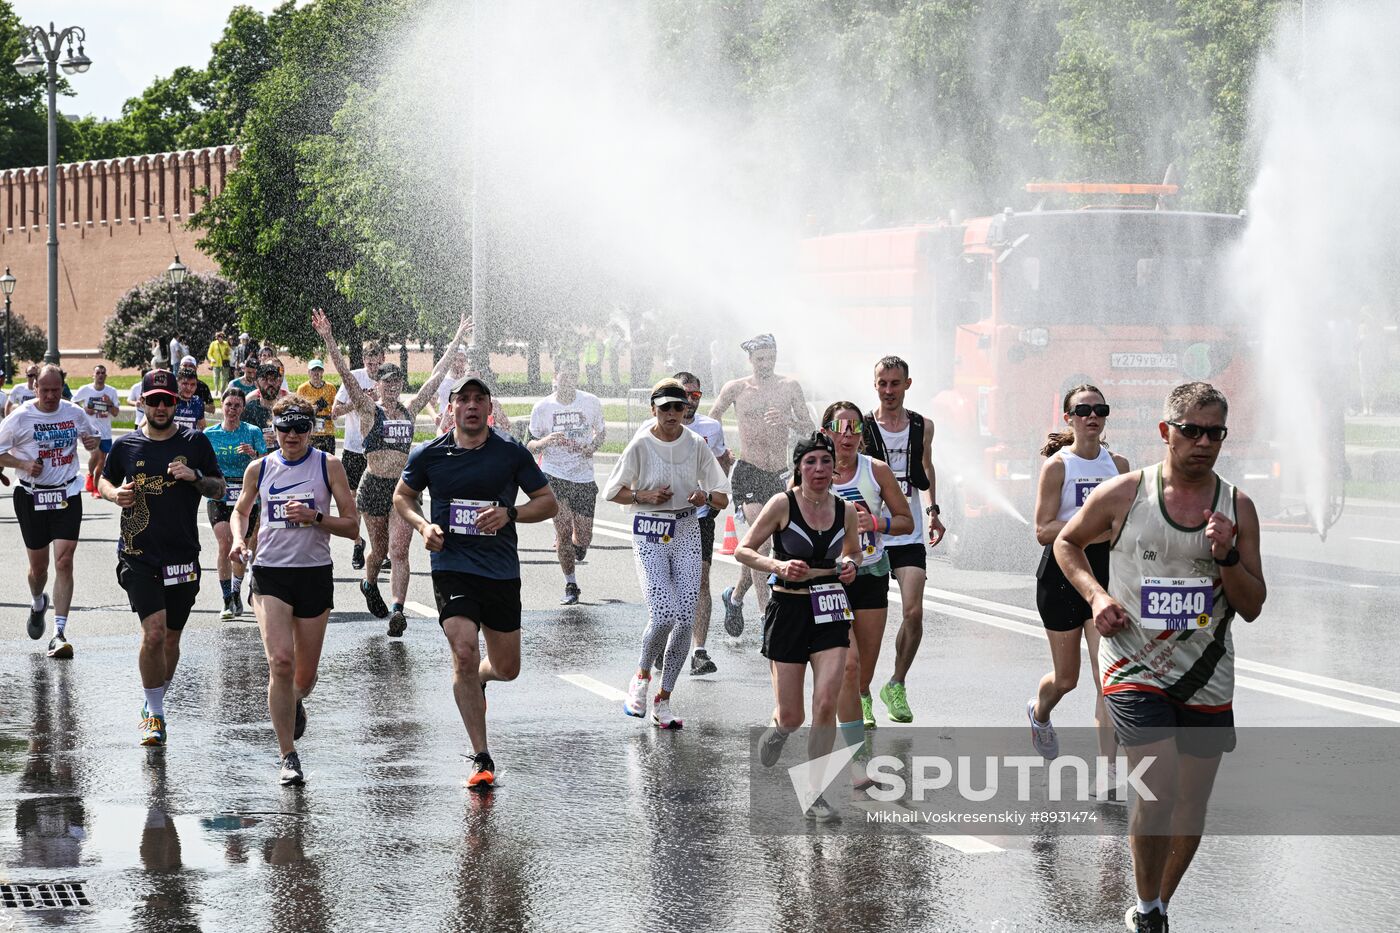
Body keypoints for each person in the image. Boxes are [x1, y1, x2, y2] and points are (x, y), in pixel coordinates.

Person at [1055, 382, 1266, 933]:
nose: (1203, 442)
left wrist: (1226, 556)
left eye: (1214, 433)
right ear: (1165, 431)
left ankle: (1158, 905)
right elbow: (1065, 544)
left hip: (1206, 673)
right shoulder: (1126, 493)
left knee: (1190, 805)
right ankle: (1147, 909)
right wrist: (1098, 596)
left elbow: (1252, 606)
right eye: (1191, 430)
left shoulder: (1237, 506)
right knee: (1160, 785)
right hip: (1133, 665)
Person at [395, 372, 558, 789]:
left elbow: (548, 503)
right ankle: (481, 757)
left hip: (500, 569)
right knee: (464, 653)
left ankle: (483, 678)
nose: (470, 406)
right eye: (462, 399)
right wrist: (422, 525)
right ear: (451, 409)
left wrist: (512, 513)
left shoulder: (510, 453)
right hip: (452, 565)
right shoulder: (429, 454)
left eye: (478, 399)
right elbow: (402, 496)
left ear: (489, 408)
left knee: (507, 667)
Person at [313, 308, 470, 636]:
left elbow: (436, 377)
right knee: (380, 550)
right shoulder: (369, 409)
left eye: (397, 382)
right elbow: (344, 373)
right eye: (387, 382)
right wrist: (328, 337)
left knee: (399, 551)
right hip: (373, 485)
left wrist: (456, 339)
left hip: (404, 489)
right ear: (379, 385)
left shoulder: (410, 410)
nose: (393, 387)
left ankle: (398, 609)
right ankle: (369, 583)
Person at [230, 396, 359, 785]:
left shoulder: (327, 465)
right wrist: (239, 540)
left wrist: (316, 517)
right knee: (280, 663)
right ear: (274, 428)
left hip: (314, 574)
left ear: (312, 429)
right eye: (284, 428)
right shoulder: (260, 467)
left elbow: (352, 526)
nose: (291, 436)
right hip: (271, 575)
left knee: (304, 677)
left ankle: (295, 700)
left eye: (300, 428)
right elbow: (240, 510)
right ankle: (288, 755)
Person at [736, 432, 860, 821]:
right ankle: (778, 731)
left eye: (826, 462)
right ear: (798, 468)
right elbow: (744, 549)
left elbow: (853, 550)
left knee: (826, 702)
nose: (819, 470)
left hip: (830, 610)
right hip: (788, 609)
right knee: (793, 716)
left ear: (834, 468)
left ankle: (815, 791)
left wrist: (852, 564)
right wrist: (778, 566)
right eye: (811, 463)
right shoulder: (781, 504)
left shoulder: (846, 511)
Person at [99, 369, 224, 746]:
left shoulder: (196, 442)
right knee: (153, 633)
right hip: (138, 555)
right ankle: (155, 714)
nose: (159, 406)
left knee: (171, 639)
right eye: (153, 400)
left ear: (176, 402)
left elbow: (218, 489)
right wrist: (113, 494)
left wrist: (195, 477)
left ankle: (154, 699)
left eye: (166, 400)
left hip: (182, 557)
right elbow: (103, 480)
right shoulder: (126, 447)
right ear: (142, 402)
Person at [604, 379, 730, 729]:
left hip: (687, 528)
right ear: (653, 409)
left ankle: (665, 699)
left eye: (679, 407)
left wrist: (705, 497)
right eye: (666, 407)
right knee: (663, 613)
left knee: (685, 620)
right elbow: (612, 492)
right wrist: (644, 495)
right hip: (650, 529)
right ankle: (642, 678)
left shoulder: (696, 444)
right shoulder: (642, 444)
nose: (674, 413)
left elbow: (722, 495)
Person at [1028, 385, 1129, 792]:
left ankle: (1107, 772)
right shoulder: (1058, 466)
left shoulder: (1118, 464)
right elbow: (1042, 530)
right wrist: (1095, 531)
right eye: (1082, 410)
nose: (1092, 416)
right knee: (1067, 679)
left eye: (1099, 409)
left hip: (1104, 578)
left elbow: (1128, 522)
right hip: (1062, 575)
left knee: (1107, 679)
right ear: (1068, 418)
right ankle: (1039, 712)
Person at [708, 334, 814, 636]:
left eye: (770, 358)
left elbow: (808, 425)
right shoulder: (737, 388)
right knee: (763, 544)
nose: (765, 364)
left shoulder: (789, 387)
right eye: (760, 359)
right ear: (750, 360)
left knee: (760, 550)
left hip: (779, 473)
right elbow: (710, 421)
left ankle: (736, 596)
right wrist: (720, 451)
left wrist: (788, 421)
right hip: (749, 470)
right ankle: (768, 617)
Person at [861, 356, 946, 724]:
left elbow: (927, 468)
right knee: (867, 621)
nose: (889, 390)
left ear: (907, 385)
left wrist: (933, 511)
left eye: (896, 383)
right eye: (883, 383)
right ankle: (861, 693)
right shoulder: (861, 426)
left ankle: (896, 683)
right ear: (875, 384)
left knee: (913, 611)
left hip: (907, 528)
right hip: (870, 531)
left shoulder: (922, 426)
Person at [634, 371, 734, 674]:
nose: (688, 401)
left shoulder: (710, 428)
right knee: (666, 586)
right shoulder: (645, 430)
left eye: (695, 396)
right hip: (660, 519)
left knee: (700, 581)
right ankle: (663, 640)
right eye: (682, 395)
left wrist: (712, 497)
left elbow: (721, 466)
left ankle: (699, 650)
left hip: (697, 517)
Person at [822, 401, 912, 736]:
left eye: (856, 428)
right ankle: (848, 731)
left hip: (871, 572)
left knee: (864, 669)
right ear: (826, 431)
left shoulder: (875, 470)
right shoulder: (814, 469)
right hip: (831, 580)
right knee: (849, 663)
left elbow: (906, 521)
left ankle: (862, 695)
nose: (848, 435)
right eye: (841, 427)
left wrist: (875, 521)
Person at [0, 365, 100, 658]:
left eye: (56, 390)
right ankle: (37, 602)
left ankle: (59, 632)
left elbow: (92, 442)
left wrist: (93, 446)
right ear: (35, 388)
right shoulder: (20, 416)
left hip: (67, 493)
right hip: (31, 496)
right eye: (45, 390)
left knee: (65, 561)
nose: (51, 396)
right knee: (39, 569)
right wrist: (21, 464)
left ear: (62, 388)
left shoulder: (73, 412)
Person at [527, 358, 605, 605]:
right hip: (554, 475)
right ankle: (571, 584)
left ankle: (576, 546)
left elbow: (601, 433)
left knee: (583, 537)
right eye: (564, 375)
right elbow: (529, 444)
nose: (568, 381)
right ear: (556, 376)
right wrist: (546, 441)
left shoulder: (590, 402)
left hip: (582, 476)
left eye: (573, 376)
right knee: (562, 529)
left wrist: (591, 447)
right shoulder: (543, 407)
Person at [204, 387, 268, 621]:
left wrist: (253, 454)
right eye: (228, 405)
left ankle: (236, 591)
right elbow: (201, 463)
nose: (232, 410)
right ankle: (226, 599)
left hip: (246, 493)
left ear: (243, 408)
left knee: (241, 547)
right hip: (219, 493)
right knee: (225, 543)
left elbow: (266, 462)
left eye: (237, 406)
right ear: (222, 406)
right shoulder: (210, 434)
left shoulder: (252, 431)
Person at [333, 341, 385, 571]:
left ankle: (381, 549)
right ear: (363, 361)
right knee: (354, 499)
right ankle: (357, 543)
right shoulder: (354, 377)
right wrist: (360, 400)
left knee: (380, 501)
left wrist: (378, 400)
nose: (373, 368)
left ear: (383, 359)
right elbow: (335, 411)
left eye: (377, 363)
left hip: (379, 448)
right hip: (355, 447)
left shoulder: (388, 378)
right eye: (369, 363)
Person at [73, 364, 121, 498]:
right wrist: (84, 410)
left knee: (101, 461)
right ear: (93, 375)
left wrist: (110, 403)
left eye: (102, 373)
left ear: (106, 376)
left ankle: (93, 481)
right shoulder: (86, 390)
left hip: (105, 432)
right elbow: (72, 403)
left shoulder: (111, 391)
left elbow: (116, 413)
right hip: (90, 431)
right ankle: (93, 481)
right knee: (95, 456)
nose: (100, 375)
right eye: (98, 373)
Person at [435, 350, 511, 434]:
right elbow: (441, 429)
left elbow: (506, 426)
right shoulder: (455, 403)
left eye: (475, 381)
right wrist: (442, 444)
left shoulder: (492, 403)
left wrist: (499, 443)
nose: (471, 385)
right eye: (468, 380)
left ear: (481, 381)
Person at [242, 362, 286, 453]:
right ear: (256, 384)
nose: (270, 383)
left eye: (274, 379)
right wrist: (259, 440)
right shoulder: (249, 410)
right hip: (258, 461)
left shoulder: (286, 409)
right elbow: (240, 440)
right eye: (265, 379)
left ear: (279, 382)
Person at [297, 359, 338, 454]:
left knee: (329, 462)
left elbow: (336, 408)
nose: (316, 373)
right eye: (313, 370)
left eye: (319, 370)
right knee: (310, 461)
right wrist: (315, 408)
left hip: (328, 431)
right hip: (311, 432)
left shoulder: (330, 388)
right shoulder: (303, 389)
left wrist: (333, 412)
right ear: (309, 372)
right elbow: (299, 410)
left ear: (322, 372)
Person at [173, 368, 207, 433]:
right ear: (177, 383)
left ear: (197, 385)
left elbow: (202, 428)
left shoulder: (198, 402)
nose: (189, 388)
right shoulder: (170, 400)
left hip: (190, 442)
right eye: (185, 384)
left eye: (193, 384)